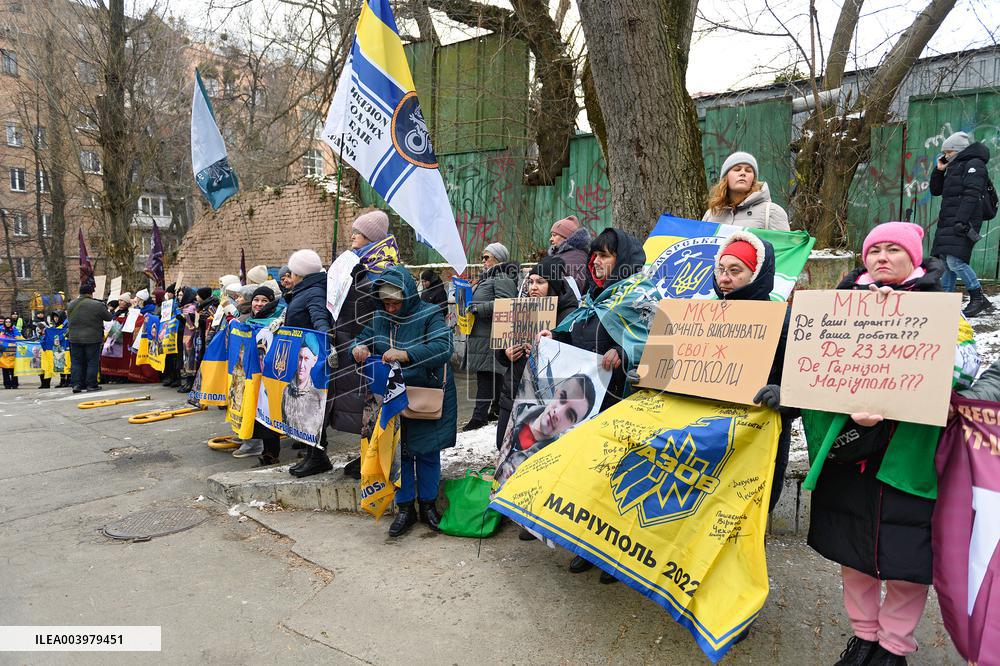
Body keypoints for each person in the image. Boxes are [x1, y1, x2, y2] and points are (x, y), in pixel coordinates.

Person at [802, 222, 978, 666]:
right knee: (855, 553)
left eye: (893, 250)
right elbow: (812, 371)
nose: (881, 256)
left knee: (906, 556)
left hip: (910, 458)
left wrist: (905, 327)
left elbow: (965, 372)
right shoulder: (838, 306)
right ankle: (863, 637)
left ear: (914, 258)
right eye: (874, 249)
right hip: (853, 455)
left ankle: (893, 646)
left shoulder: (941, 308)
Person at [541, 227, 646, 581]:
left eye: (605, 255)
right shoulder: (592, 298)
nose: (596, 261)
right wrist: (552, 336)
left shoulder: (640, 298)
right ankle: (589, 545)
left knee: (617, 479)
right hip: (588, 405)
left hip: (622, 404)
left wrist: (624, 353)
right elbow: (574, 332)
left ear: (623, 262)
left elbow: (657, 344)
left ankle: (616, 555)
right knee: (589, 476)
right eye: (595, 255)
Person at [351, 265, 456, 537]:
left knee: (427, 452)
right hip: (393, 396)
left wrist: (405, 354)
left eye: (395, 302)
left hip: (425, 396)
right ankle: (405, 508)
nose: (391, 308)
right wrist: (358, 348)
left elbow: (444, 348)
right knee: (400, 453)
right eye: (386, 303)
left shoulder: (429, 314)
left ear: (407, 296)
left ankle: (429, 505)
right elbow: (363, 339)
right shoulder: (379, 317)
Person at [704, 231, 794, 512]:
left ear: (756, 274)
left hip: (758, 437)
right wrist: (650, 378)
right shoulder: (700, 317)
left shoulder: (782, 320)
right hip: (708, 437)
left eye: (735, 270)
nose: (725, 278)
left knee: (746, 512)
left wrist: (785, 395)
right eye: (721, 269)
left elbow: (807, 383)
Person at [332, 211, 400, 480]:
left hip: (375, 348)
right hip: (358, 344)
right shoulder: (361, 266)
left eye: (357, 233)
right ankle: (369, 456)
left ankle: (380, 462)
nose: (352, 237)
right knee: (367, 407)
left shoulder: (382, 269)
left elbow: (384, 312)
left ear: (371, 237)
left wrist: (370, 342)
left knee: (379, 405)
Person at [495, 256, 578, 451]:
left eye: (540, 282)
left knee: (536, 452)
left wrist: (552, 343)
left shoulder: (570, 314)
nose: (533, 287)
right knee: (504, 445)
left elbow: (574, 353)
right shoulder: (521, 308)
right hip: (513, 390)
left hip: (546, 399)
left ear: (554, 285)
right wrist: (505, 353)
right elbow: (500, 352)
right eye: (530, 281)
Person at [929, 131, 994, 317]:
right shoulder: (954, 166)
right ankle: (945, 302)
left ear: (957, 150)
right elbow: (936, 190)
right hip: (949, 220)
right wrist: (939, 170)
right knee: (946, 262)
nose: (945, 156)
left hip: (963, 221)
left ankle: (978, 297)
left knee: (956, 261)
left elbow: (971, 195)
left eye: (948, 152)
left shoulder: (975, 165)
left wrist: (961, 221)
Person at [282, 248, 334, 478]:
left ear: (299, 273)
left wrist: (324, 339)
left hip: (311, 356)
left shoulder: (313, 292)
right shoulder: (307, 289)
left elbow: (319, 318)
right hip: (302, 353)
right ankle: (312, 455)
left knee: (312, 408)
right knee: (303, 409)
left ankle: (319, 457)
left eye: (292, 272)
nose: (289, 276)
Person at [463, 242, 517, 431]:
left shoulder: (502, 277)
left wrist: (478, 308)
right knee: (491, 376)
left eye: (487, 257)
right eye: (483, 257)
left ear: (498, 259)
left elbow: (506, 304)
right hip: (483, 335)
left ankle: (479, 417)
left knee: (486, 377)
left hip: (491, 336)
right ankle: (495, 410)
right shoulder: (489, 278)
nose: (483, 261)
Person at [231, 285, 285, 465]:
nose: (259, 304)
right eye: (256, 300)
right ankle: (257, 445)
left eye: (264, 301)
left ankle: (270, 454)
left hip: (268, 375)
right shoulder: (248, 321)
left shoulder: (276, 321)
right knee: (254, 411)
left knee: (269, 413)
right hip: (250, 375)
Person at [703, 151, 790, 230]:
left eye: (748, 171)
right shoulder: (711, 214)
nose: (743, 173)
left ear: (753, 179)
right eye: (737, 169)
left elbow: (784, 246)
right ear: (725, 177)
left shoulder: (771, 212)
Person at [66, 283, 113, 393]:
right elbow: (108, 318)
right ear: (91, 293)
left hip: (75, 338)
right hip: (93, 338)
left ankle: (77, 385)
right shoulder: (97, 305)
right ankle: (91, 385)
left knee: (76, 362)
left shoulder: (71, 304)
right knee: (92, 361)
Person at [547, 215, 591, 291]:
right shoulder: (563, 254)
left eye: (554, 235)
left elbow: (574, 287)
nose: (551, 239)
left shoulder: (577, 257)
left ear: (566, 236)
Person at [0, 317, 20, 389]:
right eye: (6, 322)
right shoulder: (1, 329)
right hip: (4, 353)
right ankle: (7, 384)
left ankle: (15, 384)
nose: (8, 323)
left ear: (11, 323)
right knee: (5, 369)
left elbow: (19, 338)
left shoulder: (15, 329)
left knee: (13, 369)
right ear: (4, 323)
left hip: (12, 352)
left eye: (9, 322)